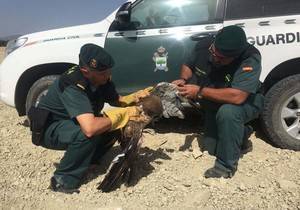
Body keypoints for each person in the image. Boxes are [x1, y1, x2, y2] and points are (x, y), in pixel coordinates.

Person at [31, 43, 151, 193]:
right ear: (85, 71)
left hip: (73, 121)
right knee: (89, 132)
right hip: (51, 128)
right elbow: (89, 128)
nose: (107, 76)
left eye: (108, 72)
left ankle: (89, 160)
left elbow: (116, 100)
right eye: (103, 73)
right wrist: (123, 114)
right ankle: (63, 179)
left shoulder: (101, 78)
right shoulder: (72, 84)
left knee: (110, 124)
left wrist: (134, 98)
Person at [172, 25, 264, 178]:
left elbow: (238, 96)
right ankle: (241, 133)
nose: (215, 58)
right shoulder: (204, 45)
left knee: (228, 112)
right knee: (211, 148)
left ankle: (225, 167)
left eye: (222, 58)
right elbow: (188, 64)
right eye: (214, 53)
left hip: (246, 102)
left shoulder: (250, 57)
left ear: (236, 55)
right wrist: (183, 79)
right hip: (215, 101)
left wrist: (199, 91)